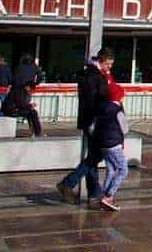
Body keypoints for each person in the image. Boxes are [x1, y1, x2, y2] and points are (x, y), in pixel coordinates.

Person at [57, 49, 114, 204]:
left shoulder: (92, 74)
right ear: (101, 61)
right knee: (96, 156)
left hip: (91, 119)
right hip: (94, 120)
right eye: (108, 64)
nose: (109, 68)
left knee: (93, 157)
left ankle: (94, 193)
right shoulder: (93, 76)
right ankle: (68, 183)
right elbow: (97, 99)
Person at [92, 81, 130, 211]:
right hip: (114, 145)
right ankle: (109, 195)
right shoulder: (118, 111)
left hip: (102, 144)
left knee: (111, 170)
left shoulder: (101, 108)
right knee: (124, 170)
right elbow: (125, 129)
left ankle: (103, 196)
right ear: (119, 96)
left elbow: (94, 126)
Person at [1, 54, 43, 137]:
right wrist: (30, 105)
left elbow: (13, 79)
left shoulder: (19, 67)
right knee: (32, 113)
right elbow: (21, 104)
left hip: (12, 106)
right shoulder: (21, 91)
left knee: (31, 112)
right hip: (11, 110)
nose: (30, 91)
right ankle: (37, 133)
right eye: (30, 89)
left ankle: (36, 132)